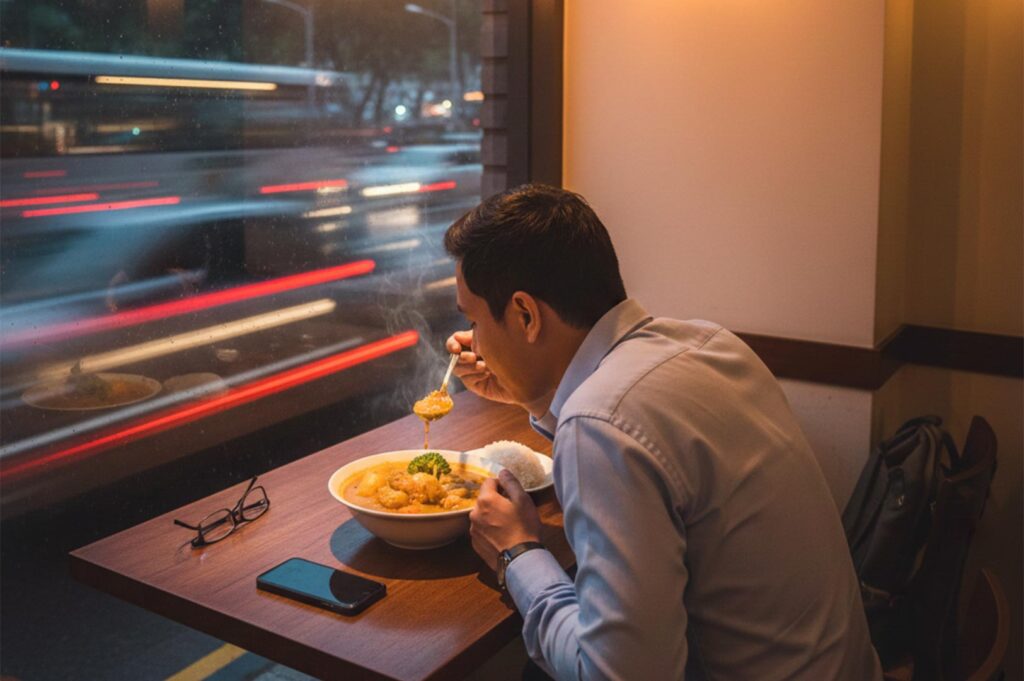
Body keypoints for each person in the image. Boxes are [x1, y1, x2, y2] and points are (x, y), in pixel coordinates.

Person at [443, 184, 882, 681]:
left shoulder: (599, 422)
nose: (475, 343)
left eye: (475, 321)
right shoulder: (711, 344)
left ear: (525, 315)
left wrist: (518, 553)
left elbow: (614, 674)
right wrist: (531, 394)